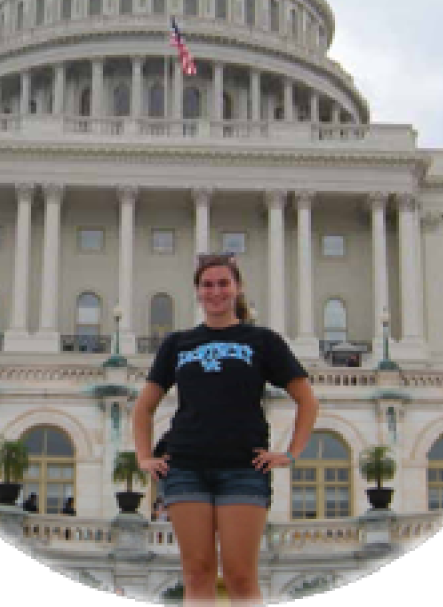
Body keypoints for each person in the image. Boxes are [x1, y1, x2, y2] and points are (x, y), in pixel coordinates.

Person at [133, 253, 319, 607]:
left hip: (243, 470)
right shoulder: (177, 343)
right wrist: (144, 456)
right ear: (197, 292)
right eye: (207, 284)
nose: (215, 291)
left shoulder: (262, 340)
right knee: (197, 573)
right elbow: (144, 407)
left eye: (223, 283)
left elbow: (306, 400)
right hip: (186, 467)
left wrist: (291, 453)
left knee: (240, 575)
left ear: (237, 288)